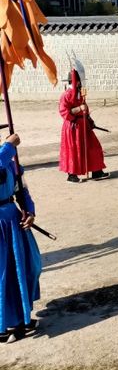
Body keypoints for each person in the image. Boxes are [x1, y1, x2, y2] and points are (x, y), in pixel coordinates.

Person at [0, 132, 42, 343]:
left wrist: (29, 211)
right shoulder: (5, 154)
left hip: (13, 220)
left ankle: (21, 315)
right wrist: (8, 148)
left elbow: (22, 190)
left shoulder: (8, 159)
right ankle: (5, 324)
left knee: (29, 267)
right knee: (3, 274)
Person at [59, 68, 108, 182]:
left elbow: (85, 108)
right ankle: (72, 175)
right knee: (74, 150)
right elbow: (63, 112)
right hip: (73, 127)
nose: (80, 83)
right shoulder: (66, 95)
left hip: (84, 125)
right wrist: (79, 109)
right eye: (79, 81)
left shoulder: (80, 93)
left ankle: (96, 172)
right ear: (75, 82)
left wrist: (90, 120)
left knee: (93, 147)